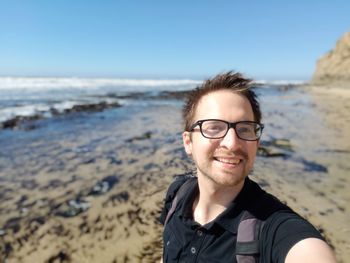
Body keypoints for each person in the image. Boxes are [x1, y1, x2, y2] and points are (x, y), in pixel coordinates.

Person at [159, 72, 337, 262]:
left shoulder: (271, 228)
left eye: (244, 128)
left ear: (257, 143)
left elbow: (307, 251)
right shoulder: (177, 194)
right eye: (214, 127)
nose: (232, 143)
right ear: (188, 142)